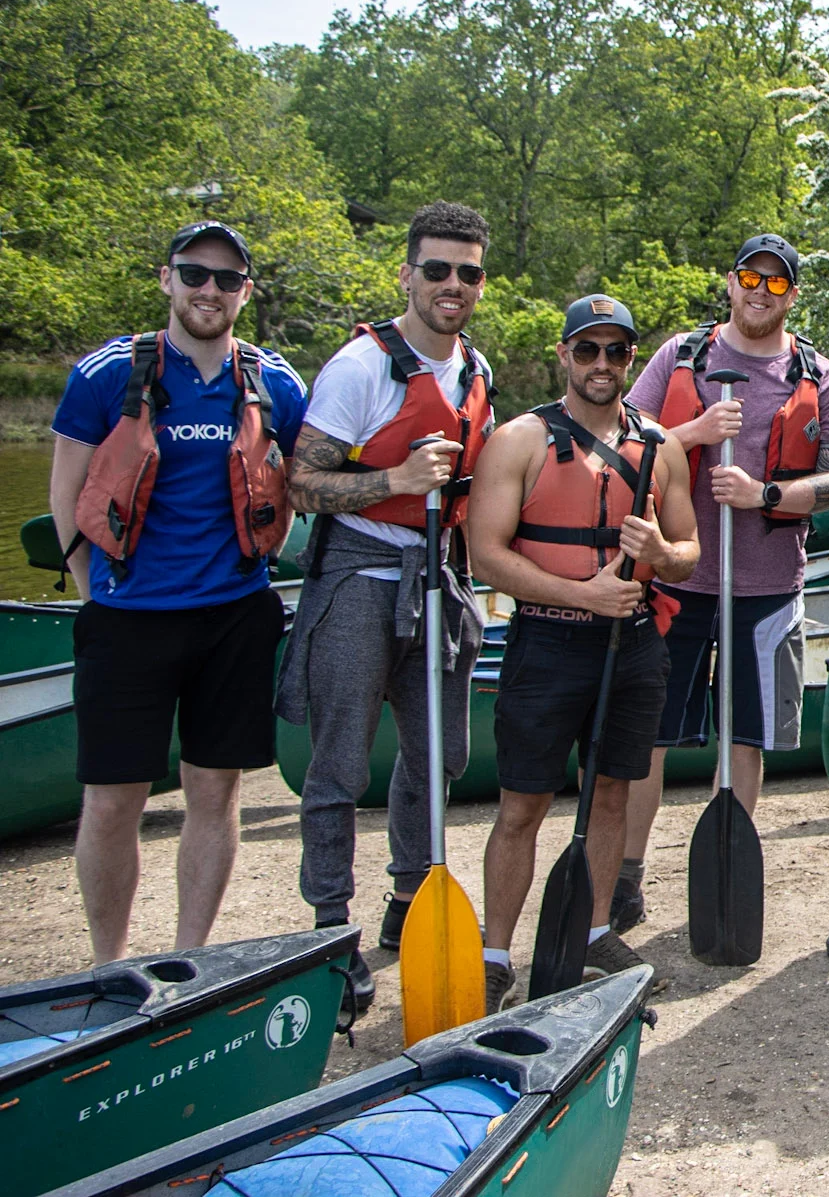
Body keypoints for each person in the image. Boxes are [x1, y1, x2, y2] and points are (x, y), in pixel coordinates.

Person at [50, 220, 307, 965]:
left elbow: (312, 469)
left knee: (215, 789)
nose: (209, 291)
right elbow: (67, 490)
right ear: (167, 279)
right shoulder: (107, 375)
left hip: (234, 615)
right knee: (112, 797)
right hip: (128, 616)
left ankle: (188, 957)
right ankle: (109, 963)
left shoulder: (273, 381)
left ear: (245, 293)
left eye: (227, 280)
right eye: (195, 274)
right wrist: (92, 591)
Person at [278, 201, 495, 1008]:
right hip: (360, 575)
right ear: (408, 273)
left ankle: (411, 898)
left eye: (467, 272)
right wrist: (395, 482)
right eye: (436, 268)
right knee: (337, 763)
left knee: (441, 752)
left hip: (439, 577)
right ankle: (329, 928)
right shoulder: (361, 366)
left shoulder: (476, 371)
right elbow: (300, 481)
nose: (451, 284)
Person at [467, 294, 700, 1011]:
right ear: (565, 355)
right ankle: (495, 954)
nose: (603, 364)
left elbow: (689, 553)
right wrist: (582, 596)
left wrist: (662, 550)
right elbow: (485, 555)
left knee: (611, 792)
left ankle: (595, 930)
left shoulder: (661, 446)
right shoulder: (519, 440)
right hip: (547, 641)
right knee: (522, 803)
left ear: (632, 359)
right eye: (588, 350)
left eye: (617, 351)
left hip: (630, 645)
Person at [613, 233, 829, 931]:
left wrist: (765, 494)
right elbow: (624, 445)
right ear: (730, 282)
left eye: (777, 283)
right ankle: (626, 876)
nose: (760, 291)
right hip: (675, 581)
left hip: (769, 586)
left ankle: (730, 861)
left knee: (747, 738)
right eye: (751, 277)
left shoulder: (819, 375)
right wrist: (691, 431)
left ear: (792, 295)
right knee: (649, 735)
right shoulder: (681, 357)